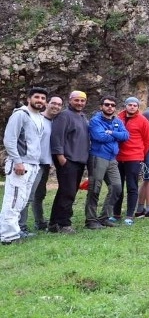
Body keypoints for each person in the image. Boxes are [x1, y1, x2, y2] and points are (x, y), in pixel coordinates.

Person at [2, 87, 49, 244]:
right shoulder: (20, 115)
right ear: (29, 99)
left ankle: (15, 231)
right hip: (20, 164)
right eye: (37, 97)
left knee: (22, 200)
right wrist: (17, 161)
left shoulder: (40, 118)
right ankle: (8, 236)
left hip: (33, 164)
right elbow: (10, 140)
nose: (40, 100)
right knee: (13, 200)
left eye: (43, 98)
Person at [49, 90, 90, 233]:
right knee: (68, 192)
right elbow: (57, 136)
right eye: (76, 100)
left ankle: (54, 223)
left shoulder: (83, 117)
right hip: (68, 160)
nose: (79, 103)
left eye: (82, 101)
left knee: (64, 191)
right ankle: (64, 224)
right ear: (70, 100)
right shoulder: (64, 116)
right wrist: (60, 157)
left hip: (79, 160)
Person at [85, 96, 129, 229]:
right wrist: (116, 134)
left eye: (113, 105)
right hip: (98, 157)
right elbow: (99, 136)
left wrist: (111, 132)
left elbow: (126, 136)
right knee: (94, 189)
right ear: (101, 106)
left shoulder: (117, 120)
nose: (110, 107)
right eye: (107, 104)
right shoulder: (95, 121)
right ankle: (91, 220)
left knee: (117, 187)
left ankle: (104, 217)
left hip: (112, 159)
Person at [22, 95, 60, 233]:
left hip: (45, 163)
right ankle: (21, 226)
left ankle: (40, 222)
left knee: (40, 195)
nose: (56, 106)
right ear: (47, 103)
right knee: (28, 195)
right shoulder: (36, 118)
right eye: (53, 103)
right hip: (33, 163)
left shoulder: (54, 122)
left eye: (59, 105)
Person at [113, 97, 149, 225]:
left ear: (138, 107)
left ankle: (129, 215)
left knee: (132, 186)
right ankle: (116, 214)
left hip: (134, 158)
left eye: (135, 105)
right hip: (118, 157)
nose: (132, 107)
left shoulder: (142, 120)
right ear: (125, 106)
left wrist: (140, 154)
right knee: (117, 186)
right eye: (130, 105)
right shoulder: (118, 118)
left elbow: (148, 140)